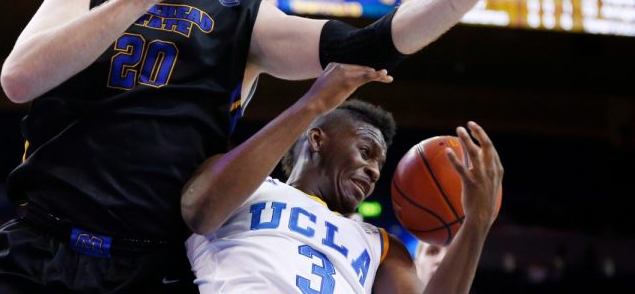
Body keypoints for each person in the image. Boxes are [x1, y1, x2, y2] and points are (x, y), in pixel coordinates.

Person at [0, 0, 578, 291]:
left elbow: (369, 43)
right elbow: (19, 80)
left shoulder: (245, 20)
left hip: (148, 264)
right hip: (39, 242)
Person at [182, 63, 504, 293]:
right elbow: (200, 212)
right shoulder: (246, 187)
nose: (375, 171)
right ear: (317, 139)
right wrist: (314, 102)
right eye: (366, 151)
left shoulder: (382, 245)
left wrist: (476, 222)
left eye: (378, 163)